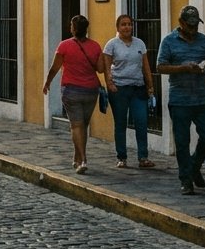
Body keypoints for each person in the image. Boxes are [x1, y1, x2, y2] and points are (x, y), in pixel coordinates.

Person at [157, 4, 205, 195]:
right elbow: (160, 67)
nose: (193, 30)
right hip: (179, 99)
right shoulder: (168, 41)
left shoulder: (203, 41)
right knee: (182, 141)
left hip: (201, 98)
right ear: (181, 23)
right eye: (190, 26)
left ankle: (194, 166)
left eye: (195, 26)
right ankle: (186, 179)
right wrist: (183, 68)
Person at [42, 15, 103, 174]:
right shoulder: (95, 47)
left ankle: (82, 159)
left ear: (73, 29)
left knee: (76, 125)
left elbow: (55, 68)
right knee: (83, 125)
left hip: (71, 91)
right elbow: (100, 69)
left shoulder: (64, 46)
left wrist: (47, 83)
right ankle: (77, 159)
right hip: (90, 91)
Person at [102, 13, 155, 169]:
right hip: (119, 89)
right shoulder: (111, 45)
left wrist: (150, 85)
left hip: (138, 88)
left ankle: (143, 157)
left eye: (129, 24)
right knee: (120, 123)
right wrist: (109, 83)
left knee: (141, 121)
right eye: (123, 24)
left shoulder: (139, 44)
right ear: (118, 27)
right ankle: (122, 157)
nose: (127, 27)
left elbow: (145, 66)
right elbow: (106, 67)